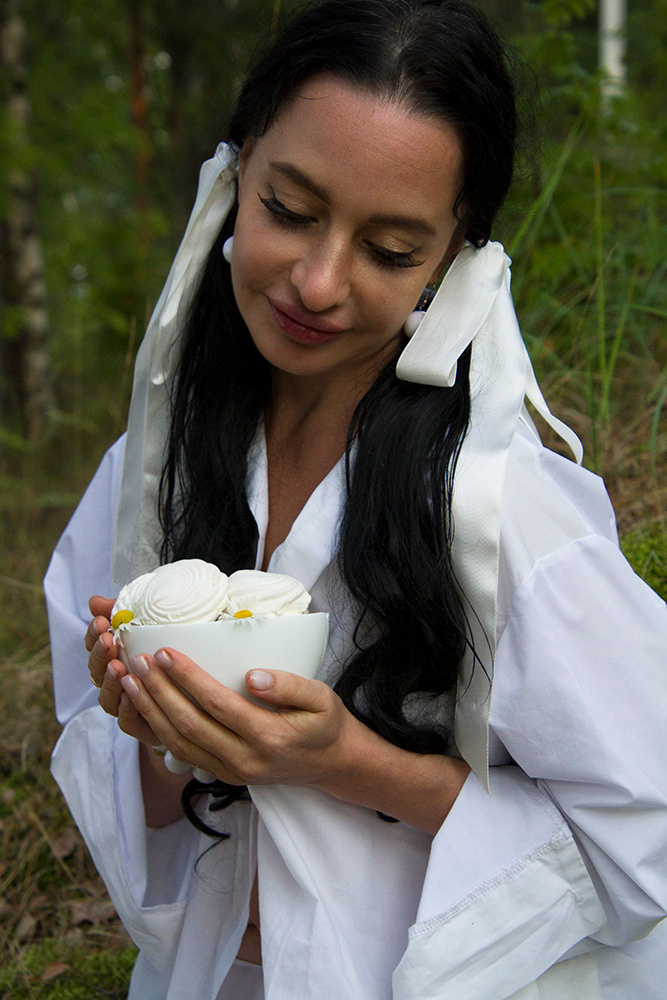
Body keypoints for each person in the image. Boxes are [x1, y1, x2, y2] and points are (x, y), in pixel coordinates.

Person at [45, 1, 667, 998]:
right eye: (289, 208)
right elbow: (143, 814)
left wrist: (349, 760)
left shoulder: (506, 508)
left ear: (455, 258)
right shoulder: (149, 467)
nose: (318, 282)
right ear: (234, 172)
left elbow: (639, 831)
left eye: (388, 250)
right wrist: (155, 728)